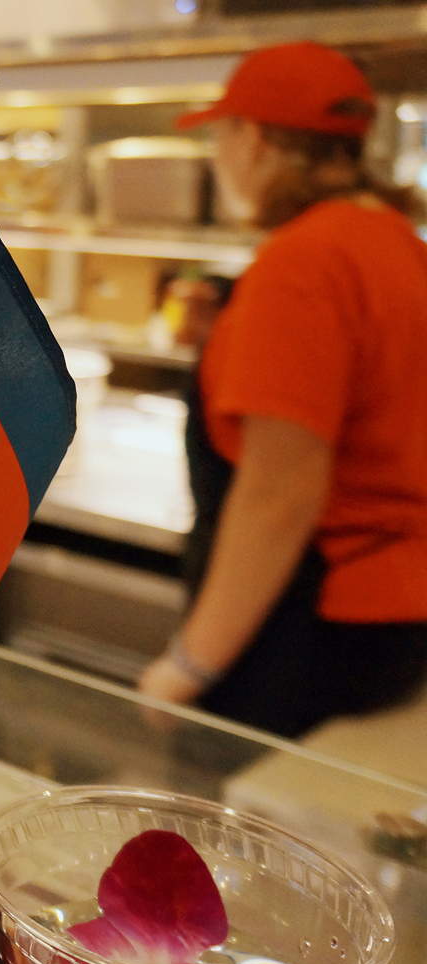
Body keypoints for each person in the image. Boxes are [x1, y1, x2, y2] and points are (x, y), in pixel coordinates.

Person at [138, 42, 427, 738]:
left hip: (306, 629)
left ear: (257, 140)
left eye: (221, 135)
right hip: (392, 625)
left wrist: (189, 662)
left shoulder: (301, 262)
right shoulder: (401, 244)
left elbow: (282, 490)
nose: (217, 157)